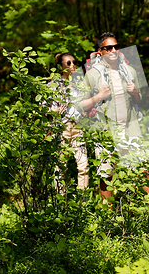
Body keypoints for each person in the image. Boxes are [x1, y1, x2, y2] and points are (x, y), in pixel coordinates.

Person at [74, 32, 149, 210]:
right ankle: (108, 216)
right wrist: (99, 97)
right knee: (106, 174)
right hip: (106, 132)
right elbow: (80, 105)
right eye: (108, 48)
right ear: (100, 51)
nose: (113, 50)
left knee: (143, 170)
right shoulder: (93, 75)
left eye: (116, 47)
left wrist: (135, 92)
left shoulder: (130, 71)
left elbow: (138, 100)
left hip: (130, 128)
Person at [50, 53, 89, 193]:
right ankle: (61, 198)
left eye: (74, 62)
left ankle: (82, 200)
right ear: (61, 66)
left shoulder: (79, 84)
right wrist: (55, 110)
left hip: (78, 127)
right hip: (62, 128)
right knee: (61, 165)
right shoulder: (54, 84)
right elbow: (43, 106)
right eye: (68, 63)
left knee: (83, 165)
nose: (72, 66)